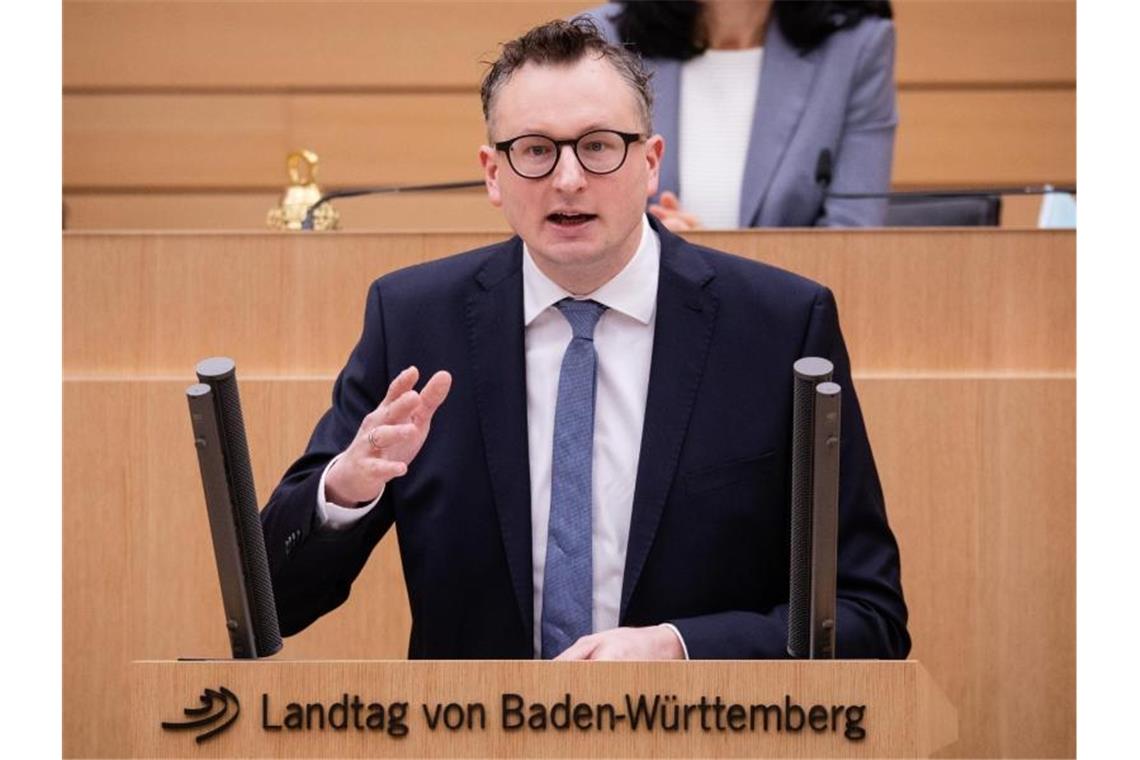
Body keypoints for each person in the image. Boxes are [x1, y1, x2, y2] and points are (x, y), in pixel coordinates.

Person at [260, 18, 909, 660]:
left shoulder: (778, 327)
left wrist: (683, 650)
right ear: (492, 174)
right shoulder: (415, 321)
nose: (567, 179)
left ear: (650, 161)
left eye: (599, 146)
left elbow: (868, 618)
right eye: (536, 150)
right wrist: (346, 488)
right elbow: (275, 603)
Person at [581, 1, 897, 229]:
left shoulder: (855, 47)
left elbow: (853, 238)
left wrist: (711, 268)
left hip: (786, 317)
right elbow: (570, 210)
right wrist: (653, 252)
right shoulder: (595, 42)